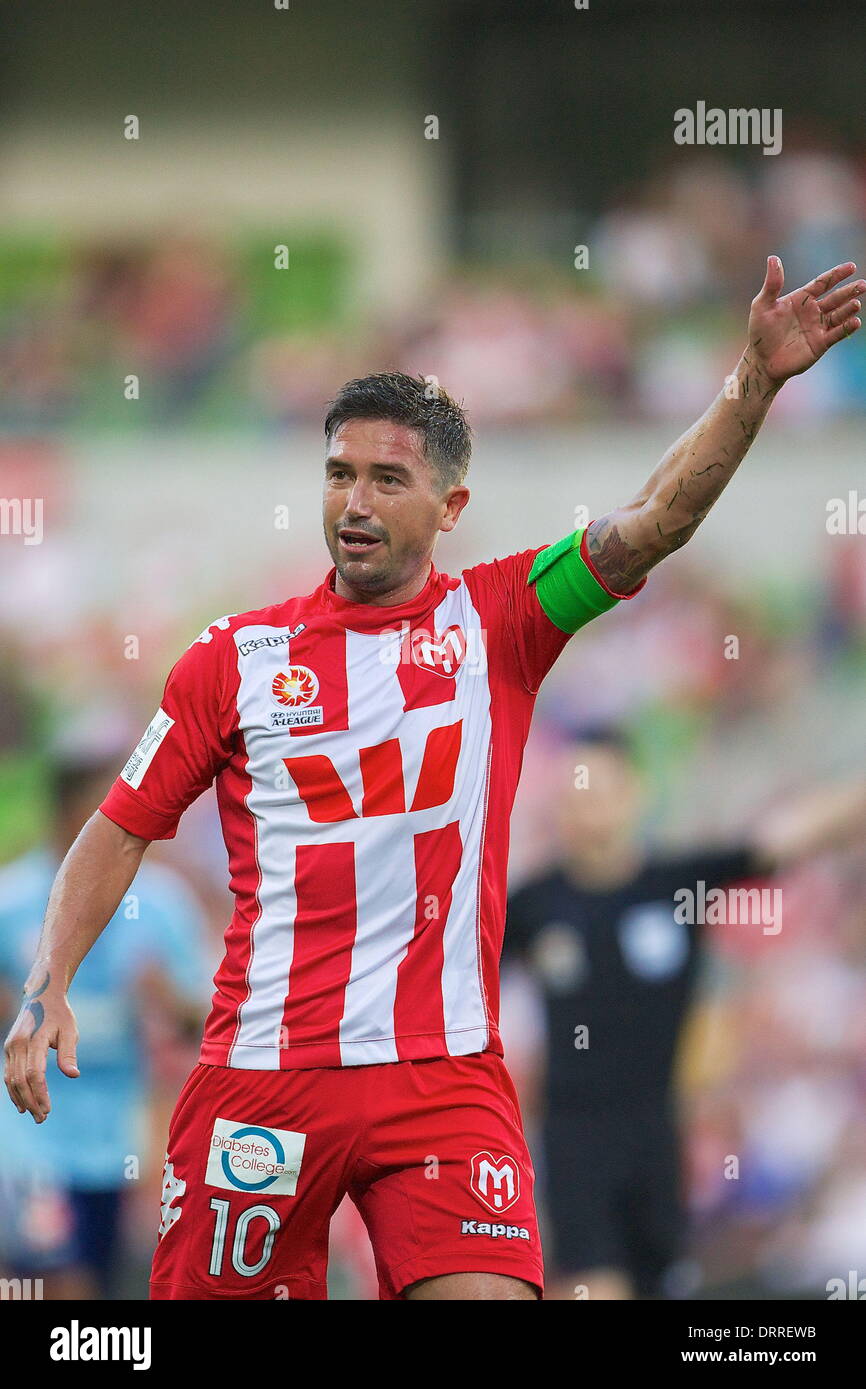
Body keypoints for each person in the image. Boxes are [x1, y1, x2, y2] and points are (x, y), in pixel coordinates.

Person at [4, 256, 863, 1301]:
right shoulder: (232, 659)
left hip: (442, 1079)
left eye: (387, 479)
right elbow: (119, 826)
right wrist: (45, 987)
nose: (353, 502)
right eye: (337, 475)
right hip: (265, 1081)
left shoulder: (501, 619)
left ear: (449, 505)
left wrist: (752, 384)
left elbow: (653, 521)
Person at [505, 727, 866, 1301]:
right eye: (573, 793)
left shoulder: (676, 886)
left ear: (634, 794)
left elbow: (785, 839)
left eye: (598, 789)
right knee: (596, 1286)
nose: (583, 805)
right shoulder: (532, 906)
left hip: (659, 1133)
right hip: (576, 1140)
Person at [0, 748, 211, 1298]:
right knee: (56, 1282)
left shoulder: (161, 904)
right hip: (32, 1138)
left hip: (124, 1138)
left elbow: (206, 1022)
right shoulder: (12, 899)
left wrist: (168, 999)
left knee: (112, 1281)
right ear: (68, 813)